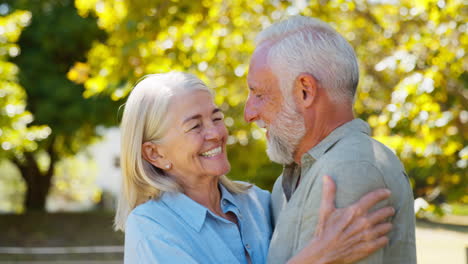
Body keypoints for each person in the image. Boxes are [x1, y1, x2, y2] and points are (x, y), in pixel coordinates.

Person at [117, 72, 395, 263]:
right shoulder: (151, 226)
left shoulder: (259, 202)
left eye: (216, 118)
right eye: (195, 126)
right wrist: (319, 255)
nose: (215, 133)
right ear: (155, 153)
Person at [243, 16, 416, 264]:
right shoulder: (292, 178)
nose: (249, 114)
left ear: (305, 91)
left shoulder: (349, 170)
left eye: (259, 94)